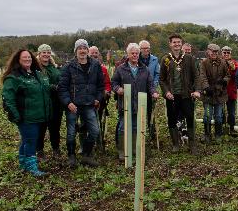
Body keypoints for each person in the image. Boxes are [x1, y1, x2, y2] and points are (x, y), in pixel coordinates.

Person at [2, 49, 52, 176]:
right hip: (26, 116)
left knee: (26, 140)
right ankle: (32, 167)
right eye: (24, 57)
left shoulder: (36, 74)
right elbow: (8, 98)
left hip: (38, 115)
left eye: (29, 57)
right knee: (31, 141)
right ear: (18, 60)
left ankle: (23, 163)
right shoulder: (14, 77)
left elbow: (44, 88)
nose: (27, 59)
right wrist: (15, 115)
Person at [58, 39, 105, 167]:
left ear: (88, 50)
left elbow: (101, 85)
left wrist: (97, 98)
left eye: (84, 48)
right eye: (80, 48)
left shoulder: (95, 65)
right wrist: (68, 103)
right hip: (73, 106)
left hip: (89, 104)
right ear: (76, 51)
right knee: (71, 132)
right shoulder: (68, 67)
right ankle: (71, 156)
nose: (82, 50)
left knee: (95, 131)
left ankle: (86, 155)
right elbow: (62, 88)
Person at [112, 43, 159, 160]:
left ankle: (133, 148)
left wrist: (153, 92)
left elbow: (150, 84)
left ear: (139, 54)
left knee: (135, 126)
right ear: (128, 54)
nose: (134, 55)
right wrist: (118, 89)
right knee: (123, 126)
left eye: (136, 53)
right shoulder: (121, 69)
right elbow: (114, 83)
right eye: (132, 53)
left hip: (139, 103)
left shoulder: (145, 69)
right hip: (125, 103)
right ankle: (122, 150)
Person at [159, 34, 201, 154]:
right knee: (172, 119)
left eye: (179, 42)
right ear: (170, 44)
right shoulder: (166, 59)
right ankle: (175, 144)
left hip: (187, 95)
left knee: (189, 118)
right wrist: (166, 92)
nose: (177, 44)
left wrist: (197, 90)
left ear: (181, 43)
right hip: (172, 96)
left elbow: (196, 76)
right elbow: (161, 79)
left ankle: (192, 145)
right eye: (174, 42)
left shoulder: (189, 58)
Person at [36, 44, 63, 160]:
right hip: (42, 103)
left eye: (48, 52)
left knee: (55, 128)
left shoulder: (54, 67)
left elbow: (61, 79)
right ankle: (40, 151)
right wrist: (54, 87)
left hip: (56, 103)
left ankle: (56, 149)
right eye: (44, 52)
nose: (46, 54)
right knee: (41, 128)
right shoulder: (35, 68)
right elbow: (38, 84)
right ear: (39, 54)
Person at [198, 43, 230, 143]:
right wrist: (206, 87)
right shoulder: (203, 63)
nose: (214, 53)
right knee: (207, 116)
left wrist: (224, 81)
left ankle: (218, 135)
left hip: (220, 94)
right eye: (212, 51)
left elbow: (228, 75)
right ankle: (207, 134)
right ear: (208, 51)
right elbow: (202, 76)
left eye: (216, 52)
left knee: (219, 116)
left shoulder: (223, 63)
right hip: (208, 94)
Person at [138, 40, 160, 141]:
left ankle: (152, 133)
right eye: (143, 48)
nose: (146, 50)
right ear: (140, 49)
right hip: (138, 89)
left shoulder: (154, 59)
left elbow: (157, 73)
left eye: (147, 48)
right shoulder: (136, 59)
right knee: (139, 111)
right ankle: (139, 132)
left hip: (151, 90)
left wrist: (154, 84)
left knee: (150, 112)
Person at [222, 45, 238, 137]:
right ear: (222, 53)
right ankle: (221, 128)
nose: (226, 54)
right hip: (220, 91)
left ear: (230, 54)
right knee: (221, 112)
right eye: (224, 52)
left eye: (228, 53)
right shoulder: (219, 62)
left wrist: (233, 69)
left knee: (231, 112)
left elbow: (237, 76)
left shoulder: (235, 63)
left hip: (231, 91)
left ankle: (232, 128)